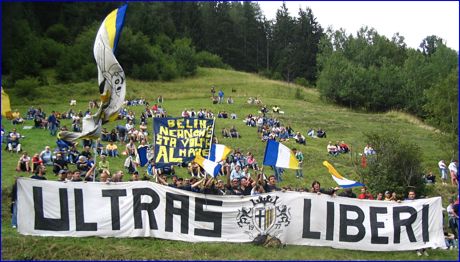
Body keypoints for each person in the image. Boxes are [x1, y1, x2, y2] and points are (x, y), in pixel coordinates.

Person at [404, 190, 429, 256]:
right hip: (410, 222)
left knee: (422, 235)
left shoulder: (418, 202)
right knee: (414, 236)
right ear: (408, 195)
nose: (411, 195)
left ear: (414, 195)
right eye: (410, 194)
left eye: (413, 194)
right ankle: (417, 250)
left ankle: (424, 250)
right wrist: (397, 202)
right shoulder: (405, 201)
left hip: (418, 221)